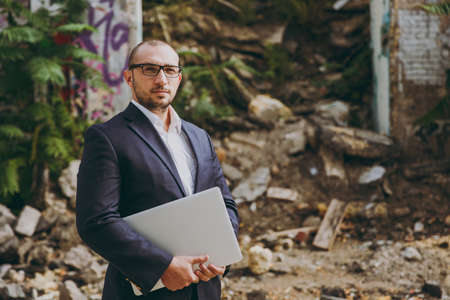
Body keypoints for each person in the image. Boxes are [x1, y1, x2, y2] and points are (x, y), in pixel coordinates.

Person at [76, 40, 239, 300]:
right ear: (129, 77)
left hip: (205, 289)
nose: (161, 79)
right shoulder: (107, 137)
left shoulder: (199, 137)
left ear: (179, 77)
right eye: (150, 69)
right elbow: (96, 220)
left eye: (169, 70)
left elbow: (225, 204)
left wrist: (221, 255)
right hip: (145, 292)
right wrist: (161, 266)